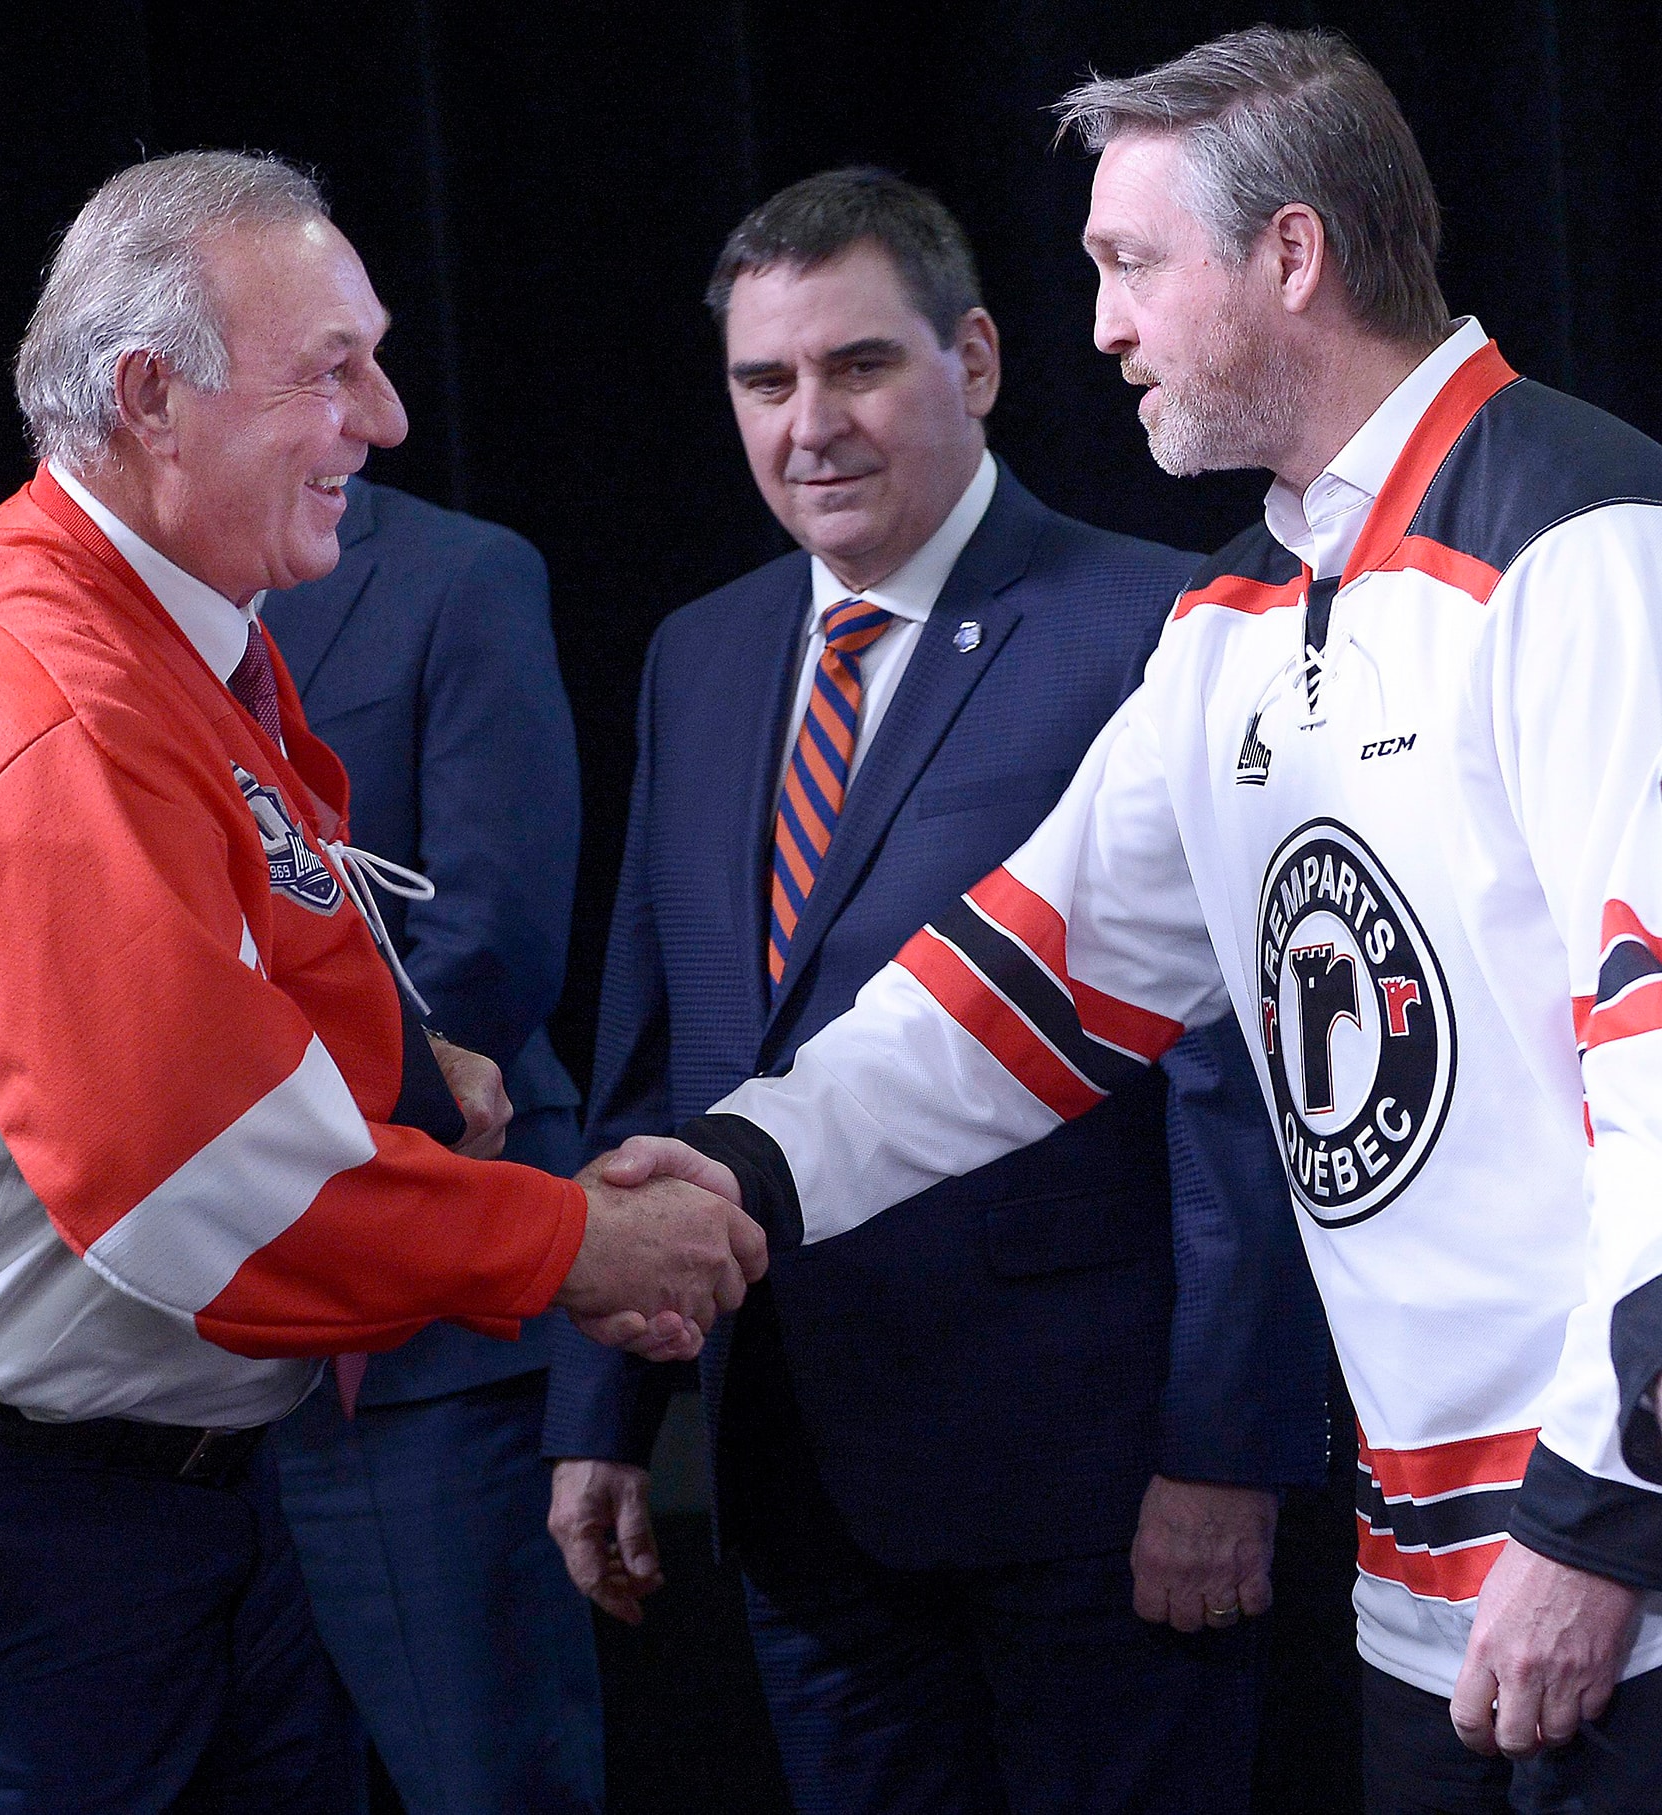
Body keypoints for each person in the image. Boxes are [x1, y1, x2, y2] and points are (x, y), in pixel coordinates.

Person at [608, 30, 1662, 1815]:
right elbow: (1011, 993)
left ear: (1293, 257)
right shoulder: (1238, 615)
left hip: (1608, 1580)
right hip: (1427, 1593)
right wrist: (739, 1170)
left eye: (1128, 264)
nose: (1100, 325)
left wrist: (1600, 1520)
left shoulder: (1579, 545)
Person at [0, 149, 759, 1814]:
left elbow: (238, 953)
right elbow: (203, 1184)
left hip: (140, 1491)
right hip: (0, 1514)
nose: (392, 418)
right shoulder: (58, 702)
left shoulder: (157, 631)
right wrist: (572, 1243)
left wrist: (419, 1070)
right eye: (331, 369)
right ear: (150, 399)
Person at [543, 167, 1327, 1813]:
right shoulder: (700, 649)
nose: (808, 424)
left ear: (972, 360)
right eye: (767, 383)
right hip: (797, 1480)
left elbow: (1239, 1098)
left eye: (860, 366)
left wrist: (1224, 1451)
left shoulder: (1159, 624)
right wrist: (603, 1407)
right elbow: (656, 1046)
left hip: (1101, 1492)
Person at [261, 481, 603, 1811]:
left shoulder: (459, 575)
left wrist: (233, 1136)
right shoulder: (105, 614)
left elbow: (491, 943)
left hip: (422, 1344)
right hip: (174, 1375)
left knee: (490, 1783)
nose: (369, 404)